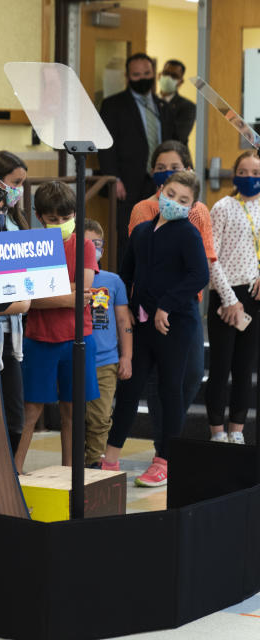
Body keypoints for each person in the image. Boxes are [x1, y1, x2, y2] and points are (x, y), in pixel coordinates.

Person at [103, 171, 209, 487]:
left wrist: (166, 305)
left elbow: (198, 275)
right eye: (171, 194)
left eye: (184, 200)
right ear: (160, 191)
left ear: (192, 206)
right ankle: (109, 457)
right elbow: (126, 274)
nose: (174, 202)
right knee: (130, 387)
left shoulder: (188, 234)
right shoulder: (142, 232)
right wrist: (125, 311)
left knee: (169, 390)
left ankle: (165, 459)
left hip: (175, 324)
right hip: (142, 322)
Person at [128, 141, 216, 456]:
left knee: (190, 374)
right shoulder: (142, 209)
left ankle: (171, 440)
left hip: (185, 308)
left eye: (174, 167)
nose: (167, 173)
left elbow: (204, 262)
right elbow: (143, 260)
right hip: (150, 309)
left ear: (187, 171)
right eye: (161, 168)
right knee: (159, 379)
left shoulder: (198, 210)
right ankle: (163, 449)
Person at [14, 181, 100, 473]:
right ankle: (14, 470)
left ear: (74, 214)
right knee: (30, 409)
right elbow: (27, 299)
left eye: (65, 218)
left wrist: (46, 292)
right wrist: (68, 295)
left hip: (78, 337)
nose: (61, 224)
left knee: (73, 410)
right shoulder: (33, 246)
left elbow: (85, 293)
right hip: (39, 338)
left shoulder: (85, 245)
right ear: (40, 217)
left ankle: (70, 472)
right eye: (53, 219)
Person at [99, 52, 179, 267]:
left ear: (154, 74)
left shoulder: (164, 106)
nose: (142, 78)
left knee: (163, 234)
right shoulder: (113, 105)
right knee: (128, 237)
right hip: (127, 183)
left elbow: (176, 142)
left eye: (147, 73)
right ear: (127, 76)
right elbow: (106, 146)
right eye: (136, 74)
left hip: (162, 182)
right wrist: (113, 178)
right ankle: (127, 292)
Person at [205, 150, 260, 444]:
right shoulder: (224, 207)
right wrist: (229, 299)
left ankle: (237, 431)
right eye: (243, 172)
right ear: (234, 175)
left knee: (244, 368)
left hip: (254, 294)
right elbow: (211, 255)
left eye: (255, 173)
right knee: (221, 365)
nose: (249, 178)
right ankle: (216, 430)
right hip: (226, 294)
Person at [0, 150, 30, 451]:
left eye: (23, 183)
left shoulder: (17, 220)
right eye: (15, 182)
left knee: (15, 418)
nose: (19, 190)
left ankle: (7, 476)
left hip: (14, 334)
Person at [82, 219, 132, 468]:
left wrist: (127, 357)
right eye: (87, 243)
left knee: (100, 418)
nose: (93, 249)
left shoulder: (113, 281)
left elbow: (124, 320)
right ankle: (71, 466)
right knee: (76, 417)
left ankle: (93, 465)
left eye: (97, 244)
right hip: (76, 357)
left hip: (105, 360)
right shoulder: (70, 278)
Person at [159, 59, 196, 148]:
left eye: (174, 76)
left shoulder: (187, 107)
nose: (168, 78)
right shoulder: (149, 102)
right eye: (166, 73)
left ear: (181, 81)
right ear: (159, 75)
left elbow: (178, 138)